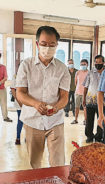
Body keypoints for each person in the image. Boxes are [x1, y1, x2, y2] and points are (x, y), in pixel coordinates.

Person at [16, 26, 70, 169]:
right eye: (44, 44)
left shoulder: (62, 69)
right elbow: (20, 93)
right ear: (37, 44)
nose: (47, 48)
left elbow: (64, 96)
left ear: (56, 45)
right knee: (34, 162)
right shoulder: (26, 65)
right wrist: (35, 104)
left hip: (55, 121)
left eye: (52, 45)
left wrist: (56, 107)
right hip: (32, 120)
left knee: (58, 162)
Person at [83, 55, 104, 143]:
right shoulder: (90, 73)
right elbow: (85, 87)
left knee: (101, 120)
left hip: (103, 102)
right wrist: (84, 99)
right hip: (90, 100)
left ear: (103, 62)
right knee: (89, 120)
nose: (97, 64)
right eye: (96, 62)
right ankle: (89, 136)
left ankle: (99, 136)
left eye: (99, 62)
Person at [72, 59, 89, 124]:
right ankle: (75, 119)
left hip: (86, 93)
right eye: (81, 64)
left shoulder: (89, 73)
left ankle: (85, 120)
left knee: (85, 107)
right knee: (76, 107)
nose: (83, 66)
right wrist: (79, 88)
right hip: (77, 92)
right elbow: (76, 82)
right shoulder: (78, 72)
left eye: (84, 64)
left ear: (87, 64)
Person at [11, 75, 23, 145]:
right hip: (19, 102)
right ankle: (18, 138)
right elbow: (13, 90)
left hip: (30, 102)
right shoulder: (15, 77)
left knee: (29, 121)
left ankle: (27, 138)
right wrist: (18, 100)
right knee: (20, 120)